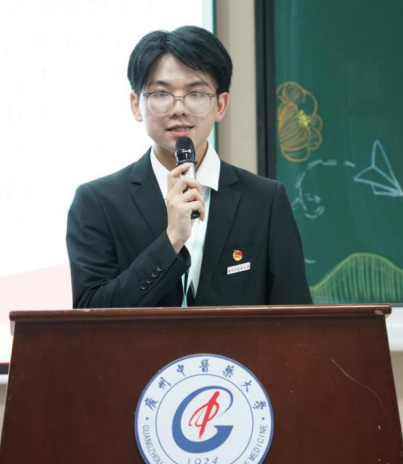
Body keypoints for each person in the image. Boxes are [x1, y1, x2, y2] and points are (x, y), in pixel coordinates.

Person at [66, 26, 312, 309]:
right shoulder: (97, 203)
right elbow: (91, 315)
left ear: (220, 105)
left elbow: (296, 318)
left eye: (196, 93)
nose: (179, 109)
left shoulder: (265, 201)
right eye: (161, 93)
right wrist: (171, 240)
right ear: (136, 105)